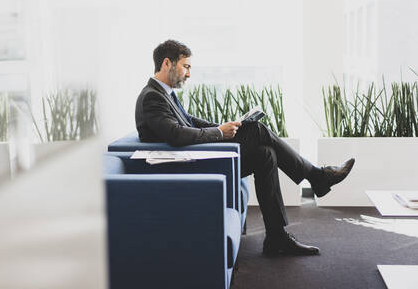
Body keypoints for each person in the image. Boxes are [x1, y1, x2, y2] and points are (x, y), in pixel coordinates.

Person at [135, 39, 355, 256]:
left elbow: (190, 122)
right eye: (186, 66)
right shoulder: (152, 97)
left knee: (265, 154)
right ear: (167, 63)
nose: (189, 74)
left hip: (196, 157)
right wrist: (221, 132)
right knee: (258, 130)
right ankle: (317, 176)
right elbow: (176, 135)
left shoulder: (164, 93)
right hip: (187, 166)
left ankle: (276, 237)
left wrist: (228, 126)